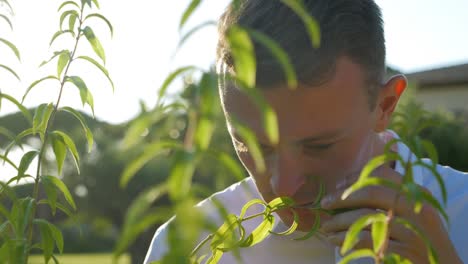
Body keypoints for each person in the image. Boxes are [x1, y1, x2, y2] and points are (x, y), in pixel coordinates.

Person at [145, 0, 467, 263]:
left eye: (319, 146)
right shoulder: (185, 247)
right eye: (253, 148)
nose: (282, 186)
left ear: (385, 105)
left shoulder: (461, 215)